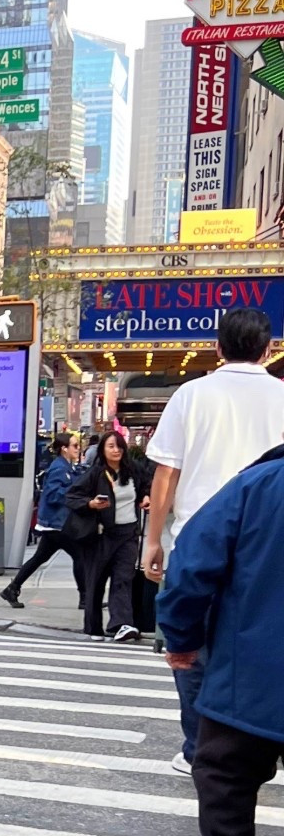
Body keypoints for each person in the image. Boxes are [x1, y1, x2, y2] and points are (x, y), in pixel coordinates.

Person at [141, 310, 284, 774]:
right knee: (262, 641)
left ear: (217, 348)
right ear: (268, 350)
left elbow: (167, 472)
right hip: (268, 543)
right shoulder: (282, 396)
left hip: (195, 538)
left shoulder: (191, 394)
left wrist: (152, 542)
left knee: (189, 649)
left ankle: (197, 747)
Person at [157, 441, 284, 836]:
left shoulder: (258, 484)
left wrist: (182, 639)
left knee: (221, 768)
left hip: (254, 668)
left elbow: (190, 567)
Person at [64, 429, 151, 642]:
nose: (116, 450)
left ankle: (122, 624)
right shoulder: (95, 474)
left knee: (123, 578)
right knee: (97, 580)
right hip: (101, 535)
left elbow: (146, 485)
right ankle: (93, 627)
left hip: (128, 533)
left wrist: (145, 497)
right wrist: (90, 504)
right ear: (103, 449)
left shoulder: (133, 470)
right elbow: (72, 496)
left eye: (119, 446)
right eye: (111, 446)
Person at [0, 430, 81, 609]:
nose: (78, 449)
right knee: (81, 557)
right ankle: (86, 599)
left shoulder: (68, 467)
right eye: (75, 446)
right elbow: (52, 495)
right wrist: (73, 493)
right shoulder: (59, 468)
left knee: (39, 558)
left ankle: (12, 588)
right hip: (56, 524)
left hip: (56, 524)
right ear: (64, 449)